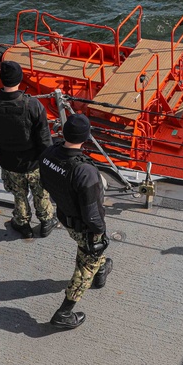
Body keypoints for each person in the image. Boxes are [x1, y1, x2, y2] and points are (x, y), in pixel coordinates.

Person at [39, 114, 112, 329]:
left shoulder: (48, 153)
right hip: (85, 225)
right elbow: (92, 214)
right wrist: (100, 231)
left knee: (90, 251)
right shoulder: (85, 171)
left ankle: (100, 270)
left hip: (65, 215)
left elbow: (45, 182)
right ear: (86, 137)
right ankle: (64, 313)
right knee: (84, 269)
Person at [0, 60, 58, 239]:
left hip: (8, 161)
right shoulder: (33, 105)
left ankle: (22, 224)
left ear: (1, 79)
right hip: (34, 161)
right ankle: (46, 222)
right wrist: (47, 160)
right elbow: (45, 139)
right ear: (20, 79)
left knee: (19, 195)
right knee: (41, 193)